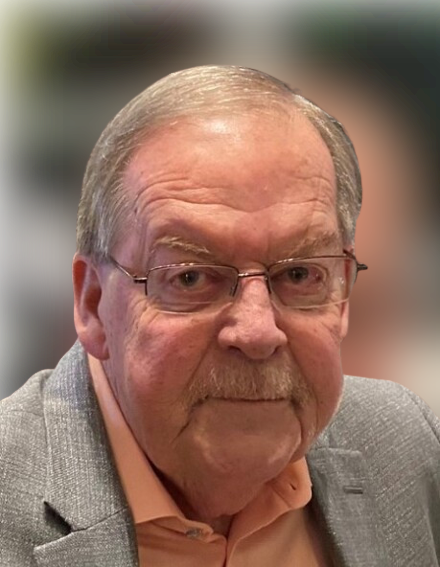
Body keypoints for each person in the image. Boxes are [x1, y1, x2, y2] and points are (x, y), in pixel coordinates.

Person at [1, 66, 439, 567]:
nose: (257, 332)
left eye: (299, 274)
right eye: (190, 277)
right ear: (93, 304)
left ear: (341, 299)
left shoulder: (404, 443)